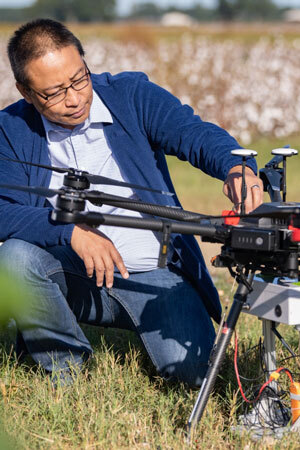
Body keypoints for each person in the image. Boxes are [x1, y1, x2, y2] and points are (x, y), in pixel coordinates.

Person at [0, 19, 263, 387]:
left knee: (195, 377)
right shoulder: (10, 129)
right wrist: (70, 232)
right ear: (26, 92)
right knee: (14, 258)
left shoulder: (131, 94)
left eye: (79, 79)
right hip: (75, 275)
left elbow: (193, 132)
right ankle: (68, 375)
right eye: (54, 93)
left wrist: (236, 166)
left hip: (156, 274)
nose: (74, 99)